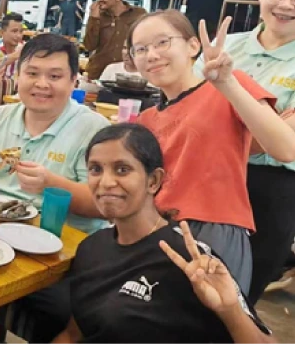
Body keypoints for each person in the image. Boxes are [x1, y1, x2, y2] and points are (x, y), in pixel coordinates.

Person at [51, 123, 273, 344]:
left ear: (154, 181)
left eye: (122, 169)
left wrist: (230, 311)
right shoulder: (91, 248)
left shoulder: (190, 260)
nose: (106, 182)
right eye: (95, 169)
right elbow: (73, 335)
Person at [128, 9, 295, 293]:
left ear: (193, 46)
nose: (152, 55)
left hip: (214, 231)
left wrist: (227, 83)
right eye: (140, 49)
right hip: (158, 229)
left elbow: (286, 148)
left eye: (162, 42)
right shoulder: (145, 120)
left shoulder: (229, 86)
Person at [195, 0, 295, 303]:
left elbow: (285, 145)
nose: (286, 4)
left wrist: (223, 101)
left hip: (268, 196)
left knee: (234, 303)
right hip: (202, 179)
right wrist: (269, 122)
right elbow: (186, 115)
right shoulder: (226, 47)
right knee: (182, 290)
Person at [0, 34, 109, 234]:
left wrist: (50, 184)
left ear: (73, 81)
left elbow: (103, 204)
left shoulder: (95, 129)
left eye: (54, 76)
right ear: (18, 76)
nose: (41, 84)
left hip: (61, 237)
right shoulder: (0, 116)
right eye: (32, 73)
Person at [83, 0, 147, 80]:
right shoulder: (98, 15)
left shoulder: (139, 14)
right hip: (98, 74)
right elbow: (89, 46)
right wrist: (94, 19)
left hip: (126, 75)